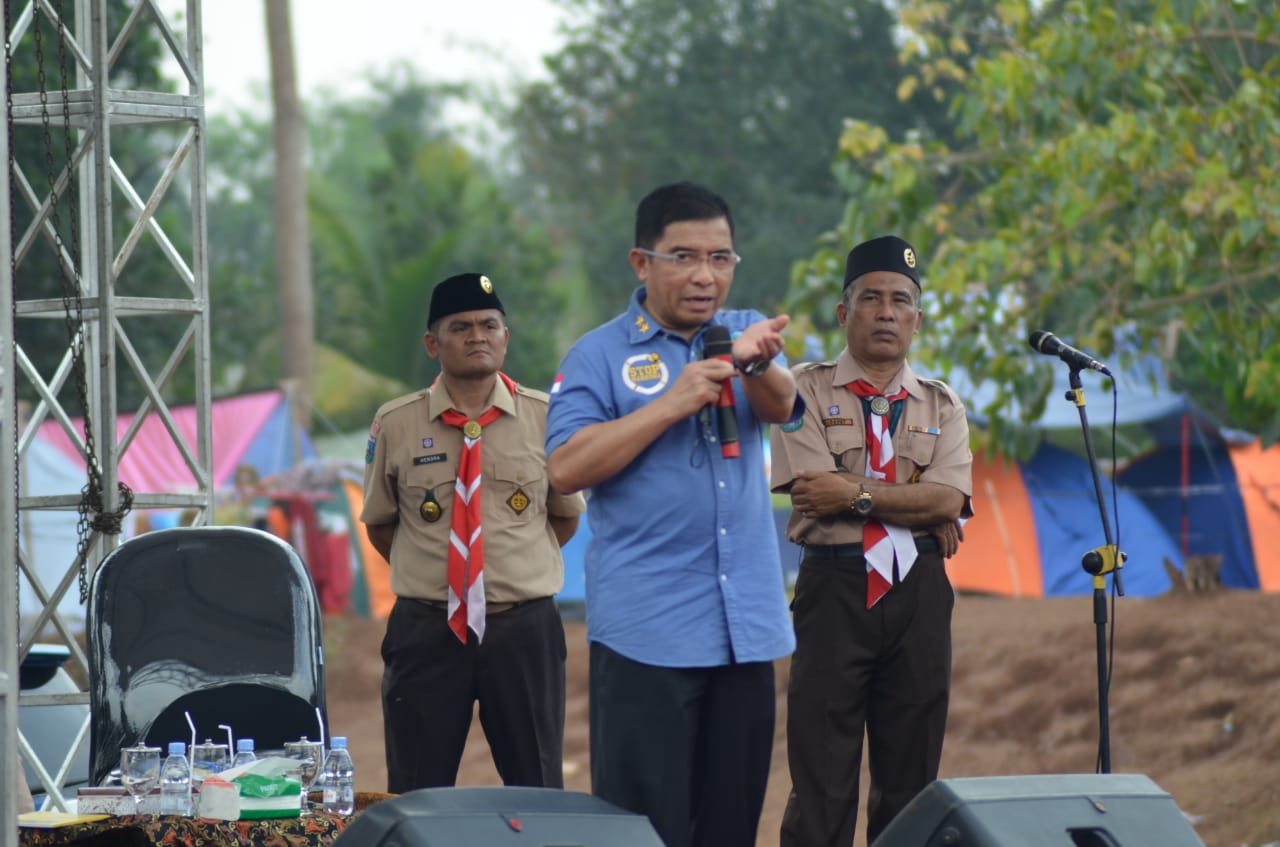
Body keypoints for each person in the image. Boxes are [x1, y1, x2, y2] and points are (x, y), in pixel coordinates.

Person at [545, 181, 802, 847]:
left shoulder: (743, 330)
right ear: (641, 262)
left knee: (731, 825)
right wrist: (672, 400)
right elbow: (565, 467)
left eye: (720, 258)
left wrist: (756, 364)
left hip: (743, 625)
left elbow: (782, 405)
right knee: (644, 829)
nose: (704, 275)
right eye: (684, 256)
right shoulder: (597, 355)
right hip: (646, 634)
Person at [770, 235, 974, 846]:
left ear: (917, 318)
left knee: (911, 777)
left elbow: (949, 501)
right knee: (823, 777)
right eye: (872, 298)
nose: (887, 312)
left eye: (901, 301)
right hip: (834, 586)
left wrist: (855, 494)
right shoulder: (801, 391)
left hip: (921, 589)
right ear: (844, 312)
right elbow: (810, 490)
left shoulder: (944, 403)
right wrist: (913, 499)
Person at [361, 272, 586, 793]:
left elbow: (564, 516)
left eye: (489, 325)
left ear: (506, 337)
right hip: (427, 630)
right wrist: (446, 578)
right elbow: (382, 525)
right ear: (432, 344)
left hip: (523, 629)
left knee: (537, 784)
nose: (477, 336)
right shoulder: (396, 424)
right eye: (460, 327)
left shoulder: (547, 418)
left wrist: (503, 571)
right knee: (416, 787)